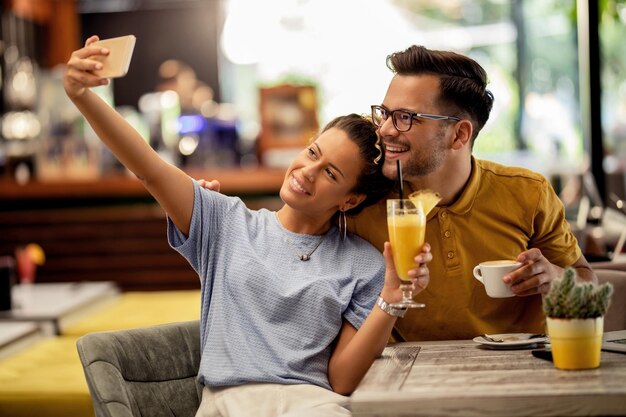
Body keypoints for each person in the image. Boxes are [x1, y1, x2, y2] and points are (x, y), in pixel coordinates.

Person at [64, 36, 432, 417]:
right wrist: (82, 95)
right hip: (227, 405)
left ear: (350, 200)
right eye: (312, 153)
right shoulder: (224, 222)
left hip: (315, 406)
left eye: (330, 173)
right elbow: (147, 168)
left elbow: (341, 380)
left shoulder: (366, 266)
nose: (307, 172)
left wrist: (392, 297)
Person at [347, 45, 596, 341]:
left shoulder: (529, 193)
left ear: (460, 134)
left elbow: (588, 288)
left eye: (405, 117)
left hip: (521, 369)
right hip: (407, 374)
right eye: (385, 114)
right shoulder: (360, 202)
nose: (385, 129)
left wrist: (556, 278)